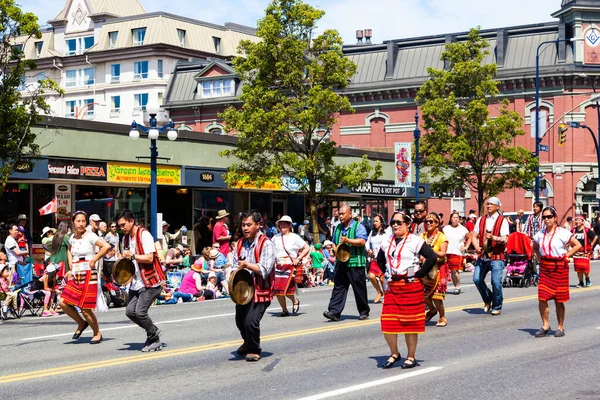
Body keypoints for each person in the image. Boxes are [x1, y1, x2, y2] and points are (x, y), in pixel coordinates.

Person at [376, 211, 437, 369]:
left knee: (410, 324)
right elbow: (380, 259)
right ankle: (394, 353)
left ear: (408, 224)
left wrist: (420, 273)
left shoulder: (415, 241)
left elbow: (432, 257)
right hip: (392, 286)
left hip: (411, 285)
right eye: (393, 222)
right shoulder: (386, 241)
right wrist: (387, 273)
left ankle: (411, 356)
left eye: (399, 222)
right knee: (387, 322)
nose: (395, 225)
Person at [118, 209, 166, 352]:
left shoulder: (144, 235)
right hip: (136, 282)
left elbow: (150, 258)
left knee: (140, 312)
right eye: (119, 225)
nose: (121, 228)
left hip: (150, 281)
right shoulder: (125, 238)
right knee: (129, 312)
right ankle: (153, 331)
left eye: (123, 225)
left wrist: (132, 256)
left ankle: (154, 338)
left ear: (131, 221)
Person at [60, 211, 110, 344]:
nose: (81, 224)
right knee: (63, 302)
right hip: (76, 274)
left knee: (85, 308)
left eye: (83, 221)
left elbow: (106, 246)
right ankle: (81, 323)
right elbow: (69, 249)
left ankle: (97, 333)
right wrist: (70, 266)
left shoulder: (91, 236)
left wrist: (95, 259)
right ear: (73, 223)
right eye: (78, 221)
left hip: (88, 274)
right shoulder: (72, 237)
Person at [232, 210, 276, 362]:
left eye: (249, 225)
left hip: (261, 290)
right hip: (243, 291)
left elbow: (264, 269)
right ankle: (247, 342)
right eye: (243, 225)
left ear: (258, 225)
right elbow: (232, 266)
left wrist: (247, 265)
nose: (245, 228)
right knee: (240, 321)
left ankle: (253, 349)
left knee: (251, 322)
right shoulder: (239, 244)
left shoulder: (267, 244)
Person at [532, 206, 581, 338]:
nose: (546, 219)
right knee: (542, 297)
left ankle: (560, 327)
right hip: (546, 267)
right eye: (544, 217)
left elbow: (577, 245)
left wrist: (567, 256)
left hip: (560, 267)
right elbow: (535, 247)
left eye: (549, 217)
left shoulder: (562, 233)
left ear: (555, 218)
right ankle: (545, 325)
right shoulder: (540, 234)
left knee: (559, 300)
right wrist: (539, 258)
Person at [323, 204, 370, 322]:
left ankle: (364, 311)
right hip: (341, 262)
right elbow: (333, 241)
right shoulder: (338, 227)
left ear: (350, 214)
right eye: (339, 214)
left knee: (359, 288)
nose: (341, 216)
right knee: (339, 287)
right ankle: (334, 312)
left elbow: (362, 241)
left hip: (355, 263)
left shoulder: (358, 227)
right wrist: (334, 248)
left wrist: (348, 240)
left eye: (343, 213)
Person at [472, 197, 509, 315]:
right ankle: (488, 299)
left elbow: (505, 238)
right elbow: (474, 235)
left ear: (498, 207)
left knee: (496, 282)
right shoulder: (481, 219)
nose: (488, 206)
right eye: (487, 204)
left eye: (491, 204)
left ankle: (497, 305)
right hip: (483, 255)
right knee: (477, 279)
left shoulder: (502, 220)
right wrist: (477, 247)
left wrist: (494, 238)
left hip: (497, 255)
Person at [271, 215, 309, 317]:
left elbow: (306, 248)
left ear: (289, 225)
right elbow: (272, 251)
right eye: (281, 224)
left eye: (285, 224)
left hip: (290, 265)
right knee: (278, 290)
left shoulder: (295, 237)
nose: (283, 226)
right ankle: (284, 310)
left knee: (287, 289)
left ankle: (295, 301)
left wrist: (298, 258)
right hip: (279, 265)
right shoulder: (275, 238)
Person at [420, 213, 449, 327]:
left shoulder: (442, 237)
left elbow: (442, 253)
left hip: (438, 268)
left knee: (437, 296)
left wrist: (430, 251)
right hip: (426, 268)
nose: (428, 223)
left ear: (437, 223)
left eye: (431, 221)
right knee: (423, 294)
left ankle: (442, 317)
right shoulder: (422, 236)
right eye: (426, 221)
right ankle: (432, 310)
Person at [443, 212, 471, 294]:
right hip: (447, 251)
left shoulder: (463, 229)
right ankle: (447, 287)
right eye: (454, 217)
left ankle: (457, 286)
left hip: (457, 251)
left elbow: (469, 238)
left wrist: (466, 247)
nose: (456, 219)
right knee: (448, 271)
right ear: (450, 219)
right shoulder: (446, 228)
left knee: (455, 270)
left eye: (457, 217)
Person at [365, 214, 389, 304]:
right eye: (374, 221)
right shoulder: (372, 232)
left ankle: (386, 295)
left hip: (383, 258)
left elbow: (389, 243)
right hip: (374, 258)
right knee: (371, 276)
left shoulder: (386, 232)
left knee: (383, 279)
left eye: (377, 221)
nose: (375, 223)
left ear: (381, 222)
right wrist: (368, 250)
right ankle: (379, 292)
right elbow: (367, 243)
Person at [571, 215, 596, 288]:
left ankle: (587, 279)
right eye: (576, 220)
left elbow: (595, 236)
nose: (577, 222)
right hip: (576, 252)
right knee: (578, 269)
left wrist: (591, 244)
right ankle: (581, 282)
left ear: (582, 221)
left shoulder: (587, 230)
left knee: (585, 268)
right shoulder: (573, 230)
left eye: (579, 220)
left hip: (585, 252)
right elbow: (569, 237)